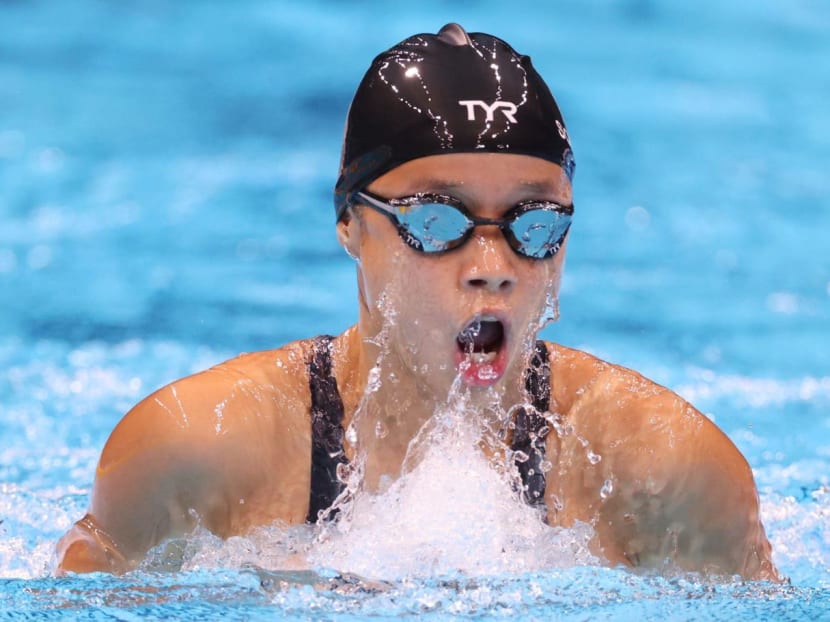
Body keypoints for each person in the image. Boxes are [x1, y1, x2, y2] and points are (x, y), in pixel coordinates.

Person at [56, 23, 778, 580]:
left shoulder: (666, 471)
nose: (492, 268)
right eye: (437, 222)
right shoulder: (198, 452)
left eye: (535, 225)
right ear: (349, 222)